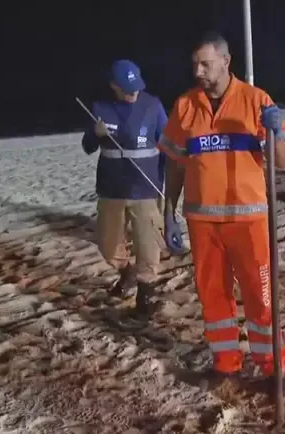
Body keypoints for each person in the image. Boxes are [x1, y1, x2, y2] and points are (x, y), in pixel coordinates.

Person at [157, 32, 285, 391]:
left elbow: (282, 162)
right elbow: (174, 163)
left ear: (226, 61)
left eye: (205, 63)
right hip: (202, 221)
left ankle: (271, 366)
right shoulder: (185, 106)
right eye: (194, 64)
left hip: (248, 220)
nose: (199, 71)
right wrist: (168, 210)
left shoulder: (256, 101)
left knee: (260, 297)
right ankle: (226, 363)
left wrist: (274, 130)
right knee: (213, 296)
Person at [81, 59, 183, 316]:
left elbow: (167, 147)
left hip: (146, 190)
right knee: (107, 244)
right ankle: (126, 273)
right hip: (111, 190)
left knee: (148, 246)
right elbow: (88, 146)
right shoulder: (100, 108)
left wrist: (166, 182)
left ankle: (145, 294)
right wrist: (95, 134)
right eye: (126, 88)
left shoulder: (153, 106)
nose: (133, 92)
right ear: (113, 86)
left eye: (136, 87)